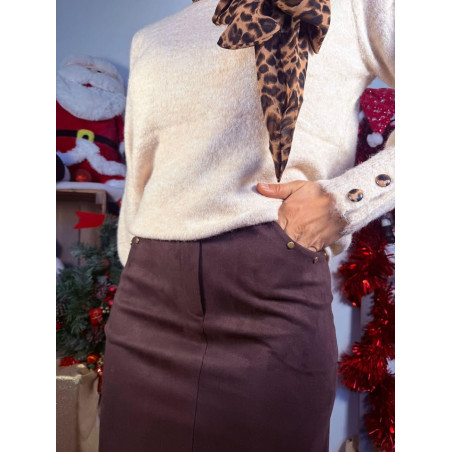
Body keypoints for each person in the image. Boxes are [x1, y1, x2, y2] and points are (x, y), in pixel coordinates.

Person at [99, 0, 395, 451]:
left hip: (271, 299)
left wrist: (347, 200)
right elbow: (140, 177)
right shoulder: (151, 39)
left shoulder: (354, 7)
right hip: (147, 309)